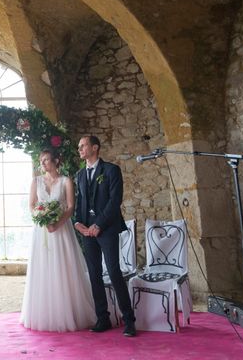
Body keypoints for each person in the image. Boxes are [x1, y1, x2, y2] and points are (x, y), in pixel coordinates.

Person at [20, 148, 96, 332]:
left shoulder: (66, 181)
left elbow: (70, 207)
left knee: (64, 267)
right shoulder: (36, 181)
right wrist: (43, 219)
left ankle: (68, 313)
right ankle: (44, 312)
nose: (43, 163)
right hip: (42, 231)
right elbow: (31, 205)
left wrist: (57, 223)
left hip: (62, 230)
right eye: (41, 161)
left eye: (46, 160)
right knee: (43, 267)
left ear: (56, 161)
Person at [74, 135, 136, 337]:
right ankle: (103, 318)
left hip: (107, 229)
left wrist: (99, 224)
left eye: (83, 146)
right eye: (79, 147)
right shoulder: (80, 175)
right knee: (94, 275)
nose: (80, 149)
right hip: (87, 232)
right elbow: (80, 202)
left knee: (114, 272)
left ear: (95, 148)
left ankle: (129, 320)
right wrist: (78, 224)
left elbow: (114, 201)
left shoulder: (111, 170)